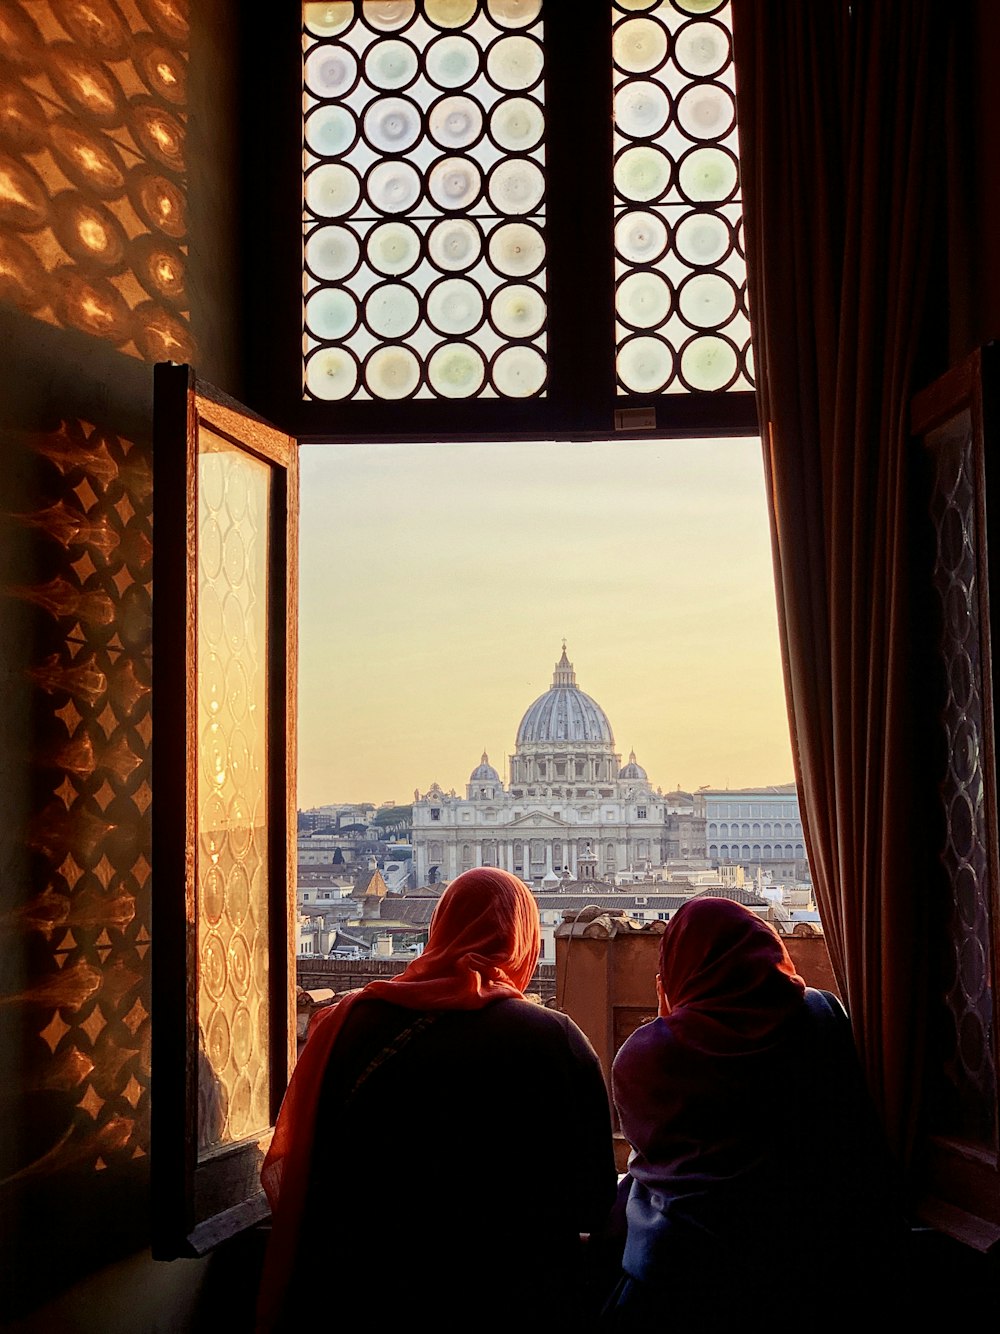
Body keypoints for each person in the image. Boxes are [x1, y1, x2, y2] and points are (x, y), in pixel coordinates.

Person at [256, 866, 618, 1331]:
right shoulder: (554, 1039)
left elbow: (311, 1163)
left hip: (363, 1289)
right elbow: (593, 1199)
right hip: (510, 1295)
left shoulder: (344, 1023)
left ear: (439, 928)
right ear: (525, 941)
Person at [605, 897, 909, 1330]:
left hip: (683, 1273)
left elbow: (651, 1154)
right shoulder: (822, 1016)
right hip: (822, 1266)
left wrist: (669, 1018)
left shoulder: (647, 1056)